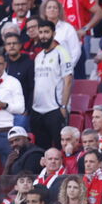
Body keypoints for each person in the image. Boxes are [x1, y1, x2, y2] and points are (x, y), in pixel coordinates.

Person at [31, 19, 73, 150]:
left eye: (46, 32)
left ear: (53, 33)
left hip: (55, 109)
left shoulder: (62, 52)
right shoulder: (38, 56)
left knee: (60, 147)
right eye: (41, 32)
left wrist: (63, 106)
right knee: (41, 150)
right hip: (38, 110)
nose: (43, 36)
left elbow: (68, 80)